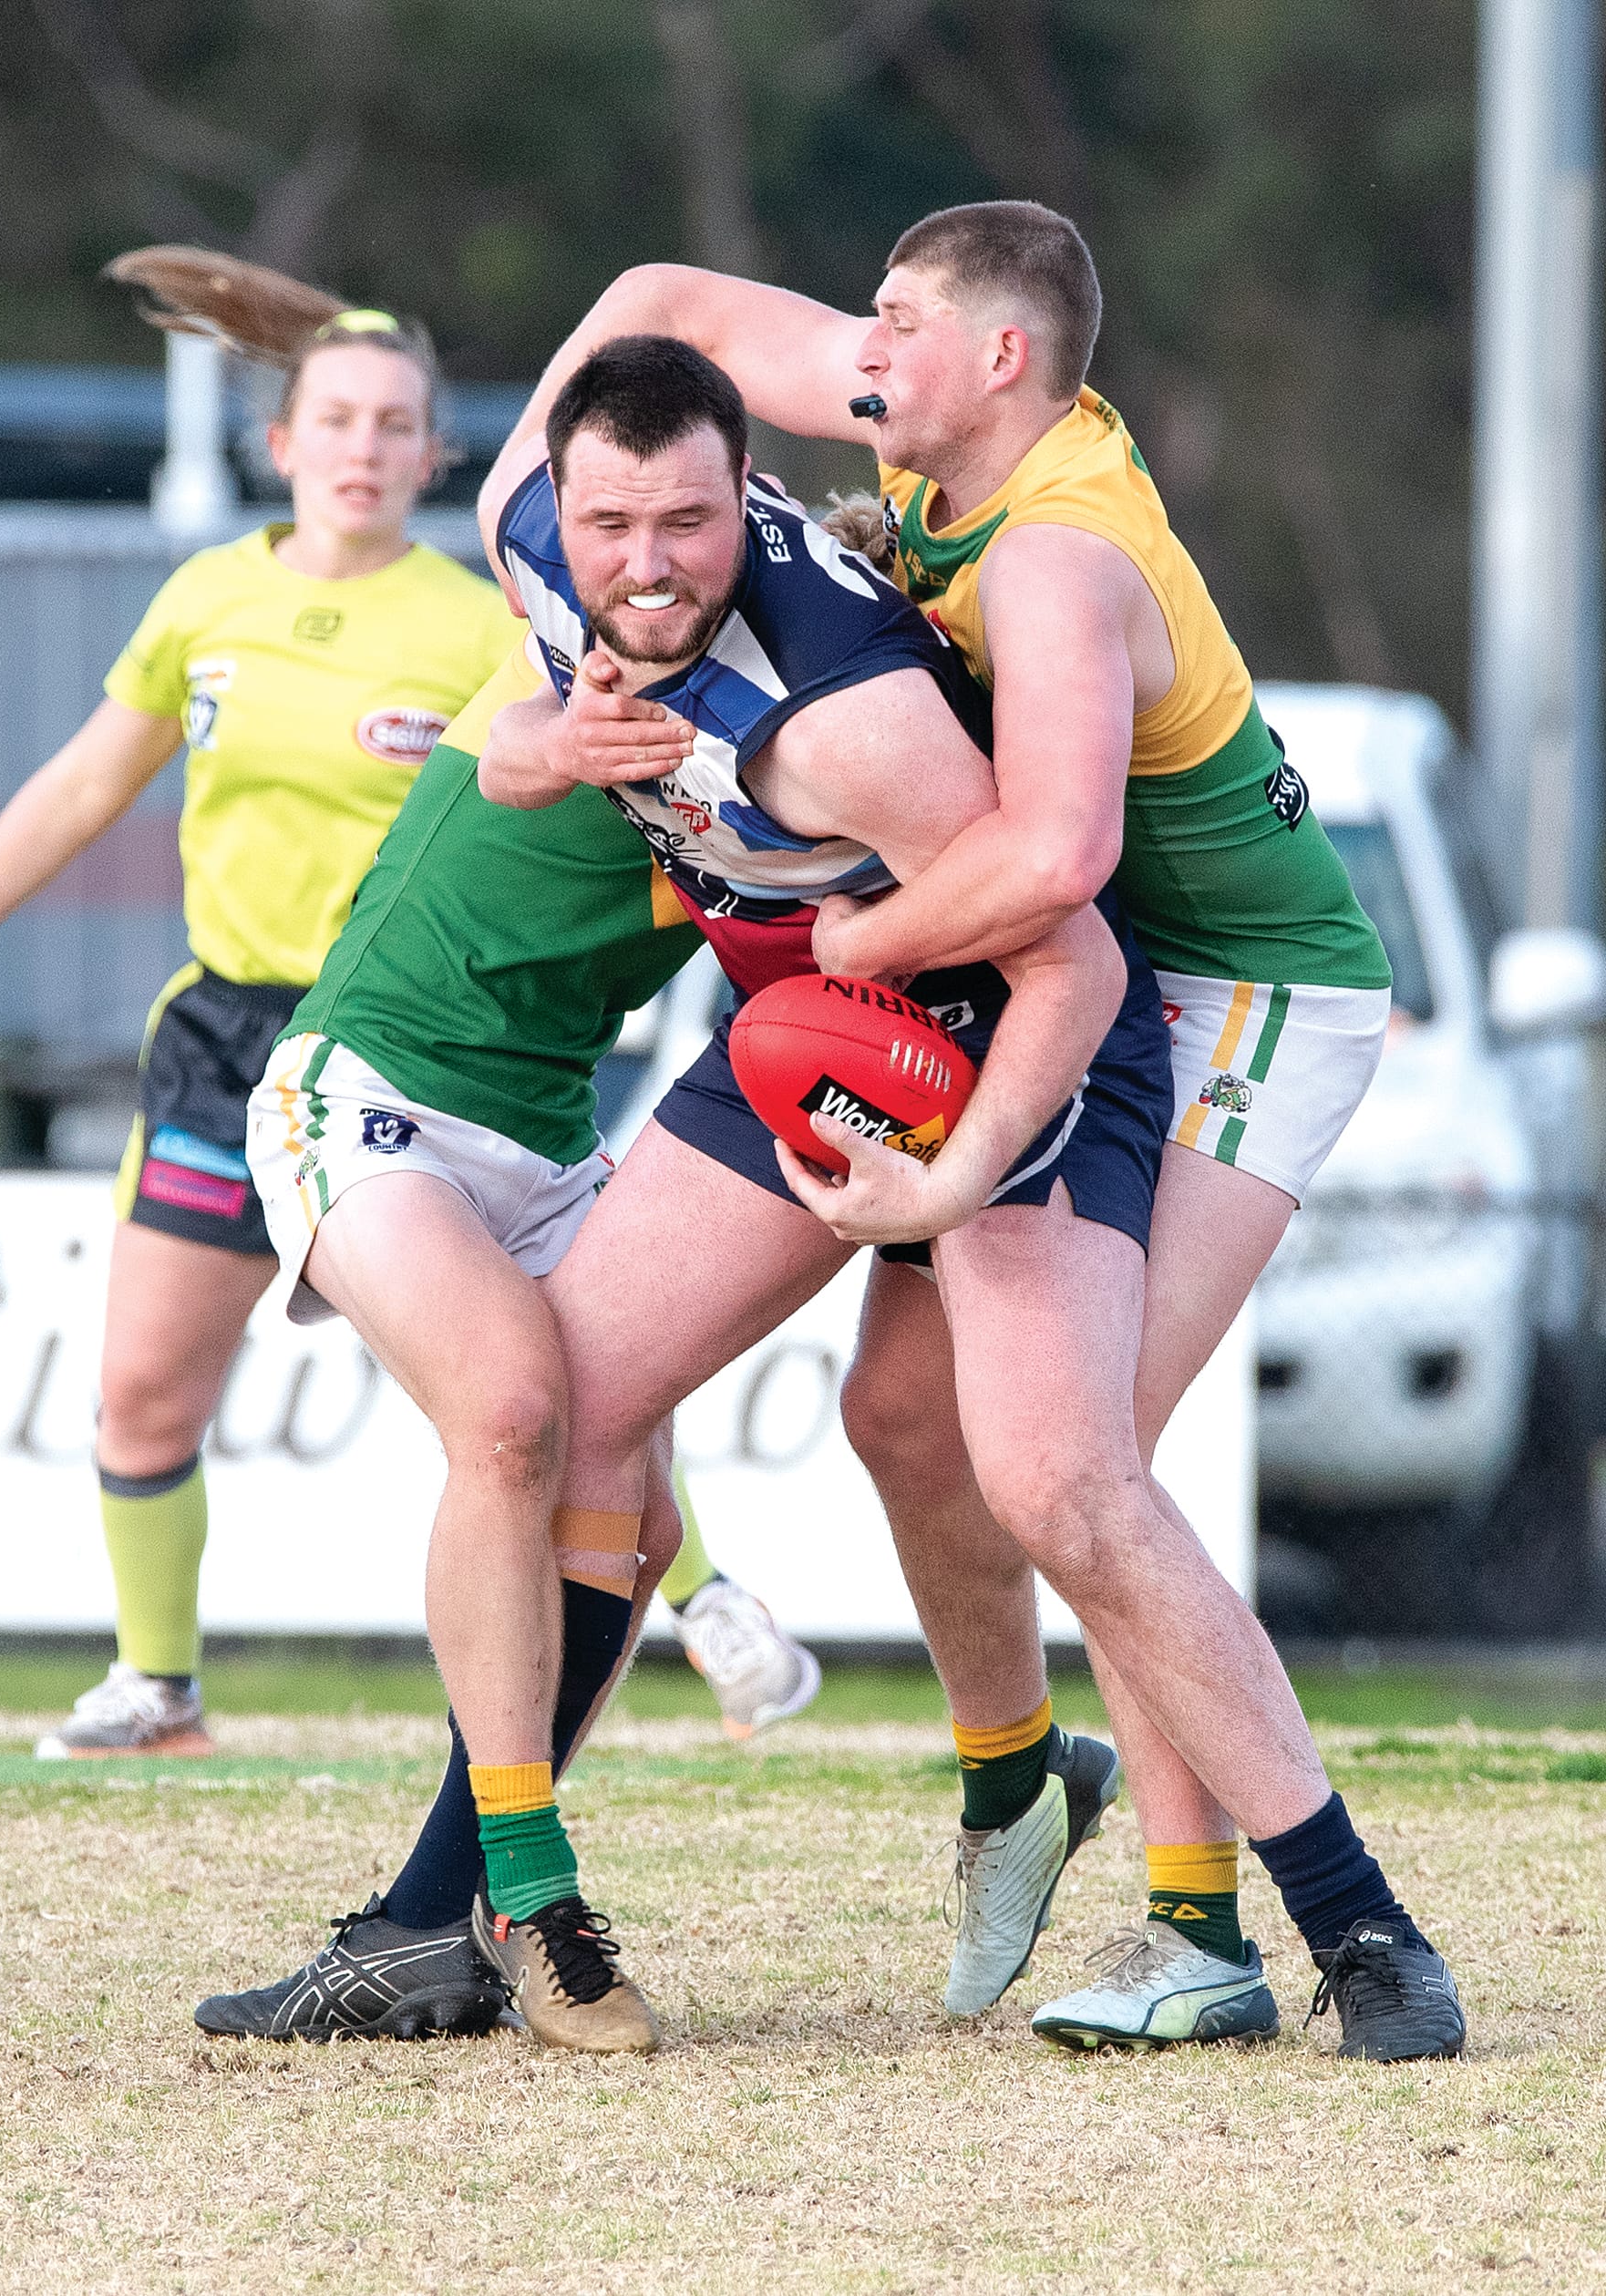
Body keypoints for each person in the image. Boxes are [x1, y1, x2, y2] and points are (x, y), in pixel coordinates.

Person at [493, 208, 1467, 2063]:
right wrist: (535, 547)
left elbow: (1062, 869)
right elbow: (654, 312)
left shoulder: (1058, 554)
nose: (862, 343)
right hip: (1071, 975)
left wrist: (845, 939)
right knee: (906, 1419)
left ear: (1001, 359)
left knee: (1076, 1470)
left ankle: (1276, 1934)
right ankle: (1037, 1790)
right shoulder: (912, 420)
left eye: (899, 317)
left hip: (1240, 994)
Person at [198, 335, 1144, 2053]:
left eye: (694, 528)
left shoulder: (803, 764)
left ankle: (445, 1918)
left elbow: (1017, 897)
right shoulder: (583, 623)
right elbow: (502, 763)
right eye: (614, 522)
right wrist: (886, 362)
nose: (649, 563)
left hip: (568, 1133)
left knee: (725, 1462)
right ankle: (512, 1891)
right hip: (376, 1091)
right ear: (569, 515)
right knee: (521, 1417)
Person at [0, 248, 816, 1757]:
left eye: (393, 425)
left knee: (526, 1398)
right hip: (233, 1033)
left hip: (445, 1044)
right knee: (143, 1392)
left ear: (437, 455)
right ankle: (156, 1684)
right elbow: (86, 780)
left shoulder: (484, 619)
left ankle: (698, 1602)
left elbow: (571, 804)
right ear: (278, 444)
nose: (364, 449)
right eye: (338, 419)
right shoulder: (209, 595)